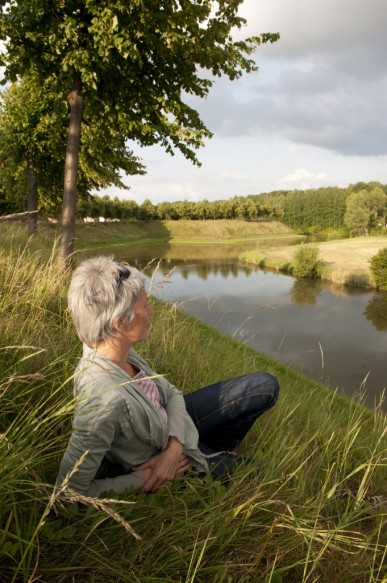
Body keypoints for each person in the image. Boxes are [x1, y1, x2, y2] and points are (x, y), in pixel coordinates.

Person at [57, 256, 279, 497]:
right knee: (263, 476)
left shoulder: (115, 350)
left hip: (172, 433)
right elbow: (68, 493)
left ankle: (215, 449)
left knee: (265, 386)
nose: (151, 312)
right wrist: (144, 477)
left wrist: (175, 446)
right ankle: (210, 458)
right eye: (145, 305)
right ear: (121, 323)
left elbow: (172, 393)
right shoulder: (103, 401)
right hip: (173, 461)